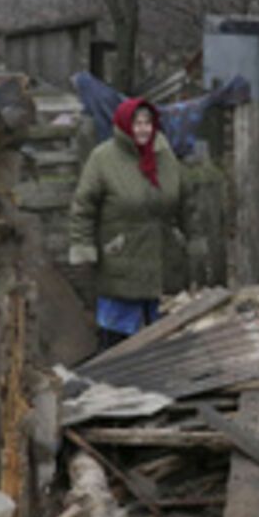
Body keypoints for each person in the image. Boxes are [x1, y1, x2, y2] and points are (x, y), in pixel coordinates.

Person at [68, 97, 203, 349]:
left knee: (161, 336)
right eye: (136, 123)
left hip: (162, 260)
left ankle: (160, 385)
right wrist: (83, 247)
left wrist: (193, 239)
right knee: (118, 338)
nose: (143, 129)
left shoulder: (165, 156)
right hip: (121, 257)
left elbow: (187, 203)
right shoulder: (103, 158)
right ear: (123, 126)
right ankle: (112, 383)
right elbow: (83, 208)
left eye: (147, 123)